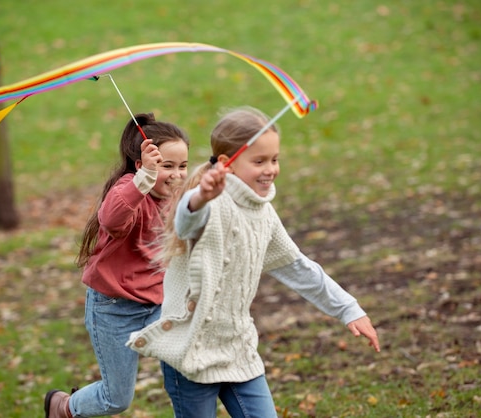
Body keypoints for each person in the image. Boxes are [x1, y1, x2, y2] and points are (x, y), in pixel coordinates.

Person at [127, 106, 381, 418]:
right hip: (189, 351)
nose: (270, 169)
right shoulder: (211, 202)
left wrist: (347, 308)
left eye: (274, 159)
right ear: (227, 164)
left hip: (236, 349)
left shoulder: (263, 214)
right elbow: (186, 225)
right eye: (259, 161)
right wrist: (200, 198)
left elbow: (297, 267)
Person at [44, 113, 190, 418]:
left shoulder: (179, 199)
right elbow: (111, 219)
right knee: (117, 399)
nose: (177, 175)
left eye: (182, 166)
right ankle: (63, 408)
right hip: (114, 308)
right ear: (143, 166)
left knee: (188, 367)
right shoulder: (129, 191)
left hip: (159, 304)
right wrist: (142, 182)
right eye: (167, 166)